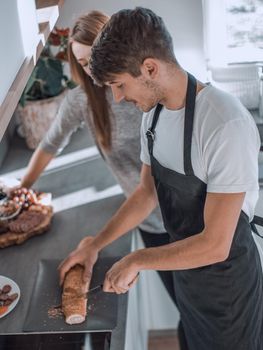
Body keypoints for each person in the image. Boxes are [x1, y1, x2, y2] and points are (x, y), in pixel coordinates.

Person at [59, 7, 263, 350]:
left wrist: (136, 259)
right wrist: (95, 244)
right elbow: (146, 192)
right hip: (188, 281)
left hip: (229, 294)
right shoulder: (152, 116)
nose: (118, 97)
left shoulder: (224, 124)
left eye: (120, 84)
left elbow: (215, 244)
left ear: (149, 68)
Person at [14, 11, 177, 306]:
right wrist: (22, 187)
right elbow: (50, 143)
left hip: (182, 218)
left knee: (203, 313)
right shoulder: (82, 100)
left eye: (95, 60)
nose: (94, 71)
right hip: (147, 221)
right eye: (85, 64)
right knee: (184, 307)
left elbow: (151, 187)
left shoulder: (147, 95)